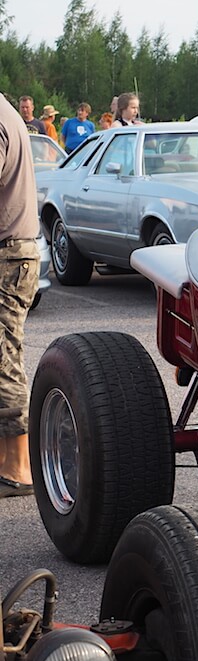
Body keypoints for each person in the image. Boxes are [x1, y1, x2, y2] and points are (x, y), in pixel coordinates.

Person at [0, 94, 41, 498]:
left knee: (3, 360)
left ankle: (18, 469)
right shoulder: (6, 112)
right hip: (15, 253)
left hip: (7, 256)